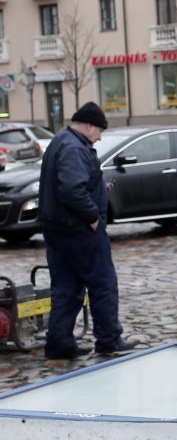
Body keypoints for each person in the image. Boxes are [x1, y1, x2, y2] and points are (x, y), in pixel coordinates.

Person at [39, 101, 139, 360]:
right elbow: (72, 189)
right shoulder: (74, 147)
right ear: (88, 126)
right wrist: (93, 217)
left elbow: (71, 184)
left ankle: (59, 344)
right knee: (103, 282)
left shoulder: (61, 140)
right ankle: (109, 339)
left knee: (66, 288)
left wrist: (98, 191)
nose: (100, 136)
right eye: (99, 130)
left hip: (57, 230)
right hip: (79, 230)